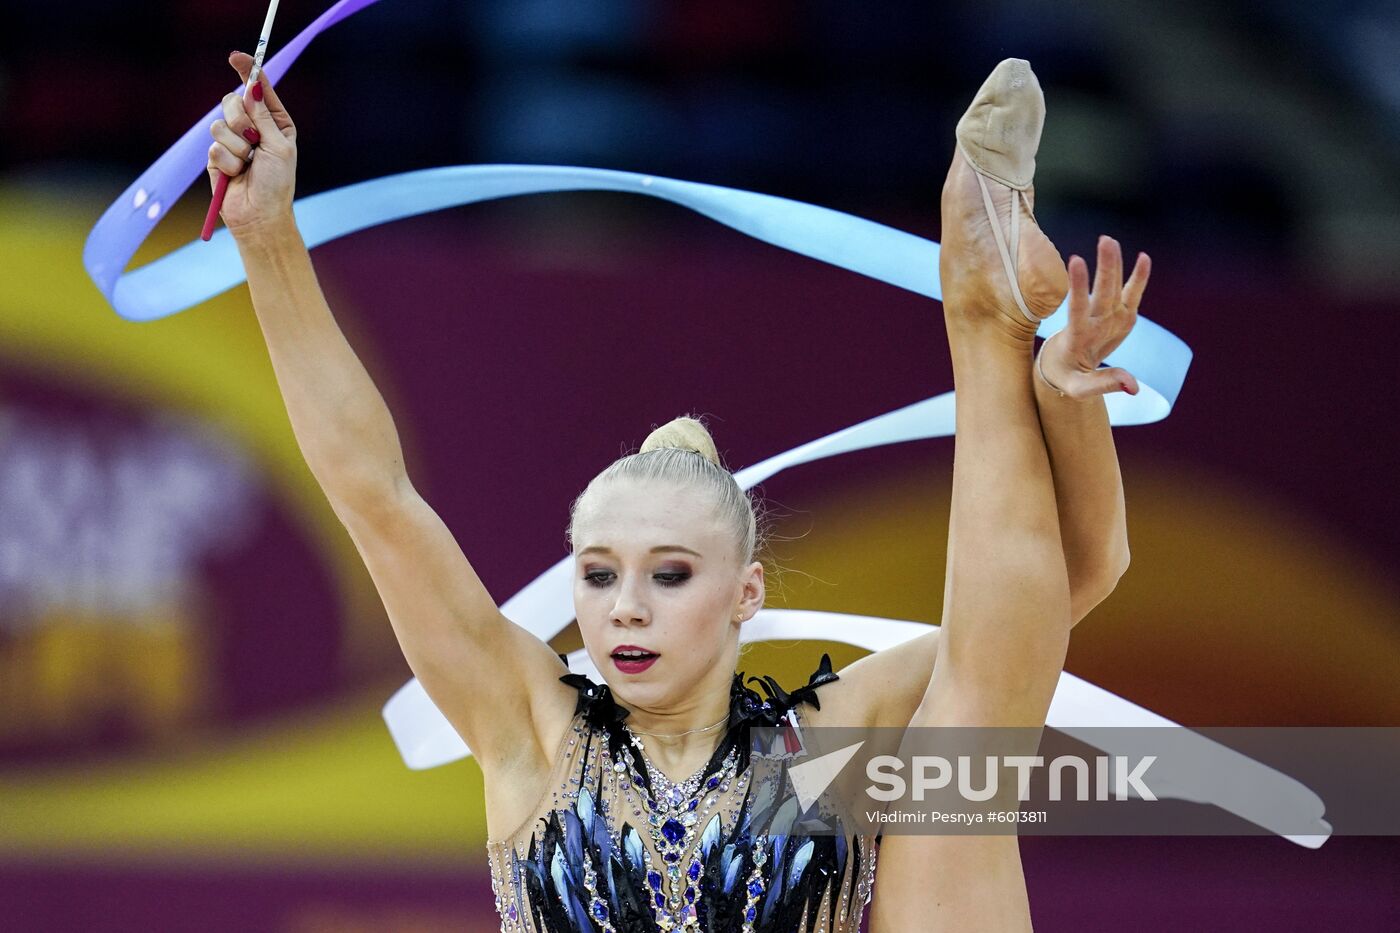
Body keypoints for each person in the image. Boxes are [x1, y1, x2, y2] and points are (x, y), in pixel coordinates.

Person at [210, 51, 1148, 932]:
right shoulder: (533, 730)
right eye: (599, 574)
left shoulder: (822, 747)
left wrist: (1067, 404)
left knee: (966, 733)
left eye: (668, 576)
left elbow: (1054, 600)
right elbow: (374, 492)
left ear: (747, 592)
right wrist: (267, 237)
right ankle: (982, 314)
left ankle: (982, 310)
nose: (624, 611)